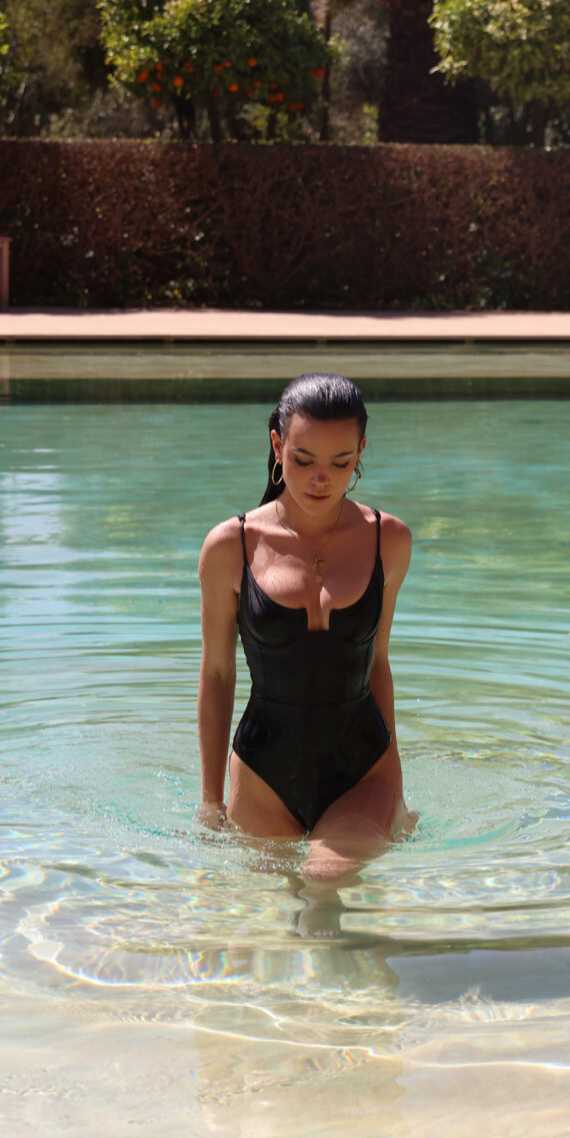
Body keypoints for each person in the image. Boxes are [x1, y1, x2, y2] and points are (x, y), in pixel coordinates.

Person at [197, 373, 413, 930]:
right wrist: (210, 801)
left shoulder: (388, 539)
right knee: (289, 914)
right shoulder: (230, 546)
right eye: (303, 459)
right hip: (263, 773)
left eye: (341, 462)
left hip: (363, 765)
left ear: (360, 452)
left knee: (322, 881)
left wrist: (397, 789)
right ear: (277, 445)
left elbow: (378, 663)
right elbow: (217, 674)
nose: (322, 478)